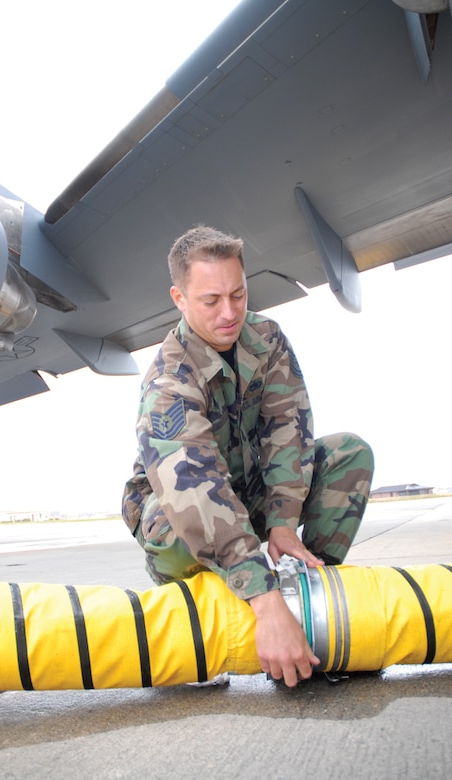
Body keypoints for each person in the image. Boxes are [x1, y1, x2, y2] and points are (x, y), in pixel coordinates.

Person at [122, 225, 374, 687]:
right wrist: (265, 599)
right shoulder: (167, 380)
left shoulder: (266, 338)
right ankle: (221, 606)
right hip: (176, 512)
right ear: (179, 298)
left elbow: (288, 432)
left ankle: (311, 606)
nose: (229, 312)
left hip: (245, 491)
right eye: (211, 300)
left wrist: (282, 523)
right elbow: (196, 489)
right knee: (182, 533)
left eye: (238, 295)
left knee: (349, 455)